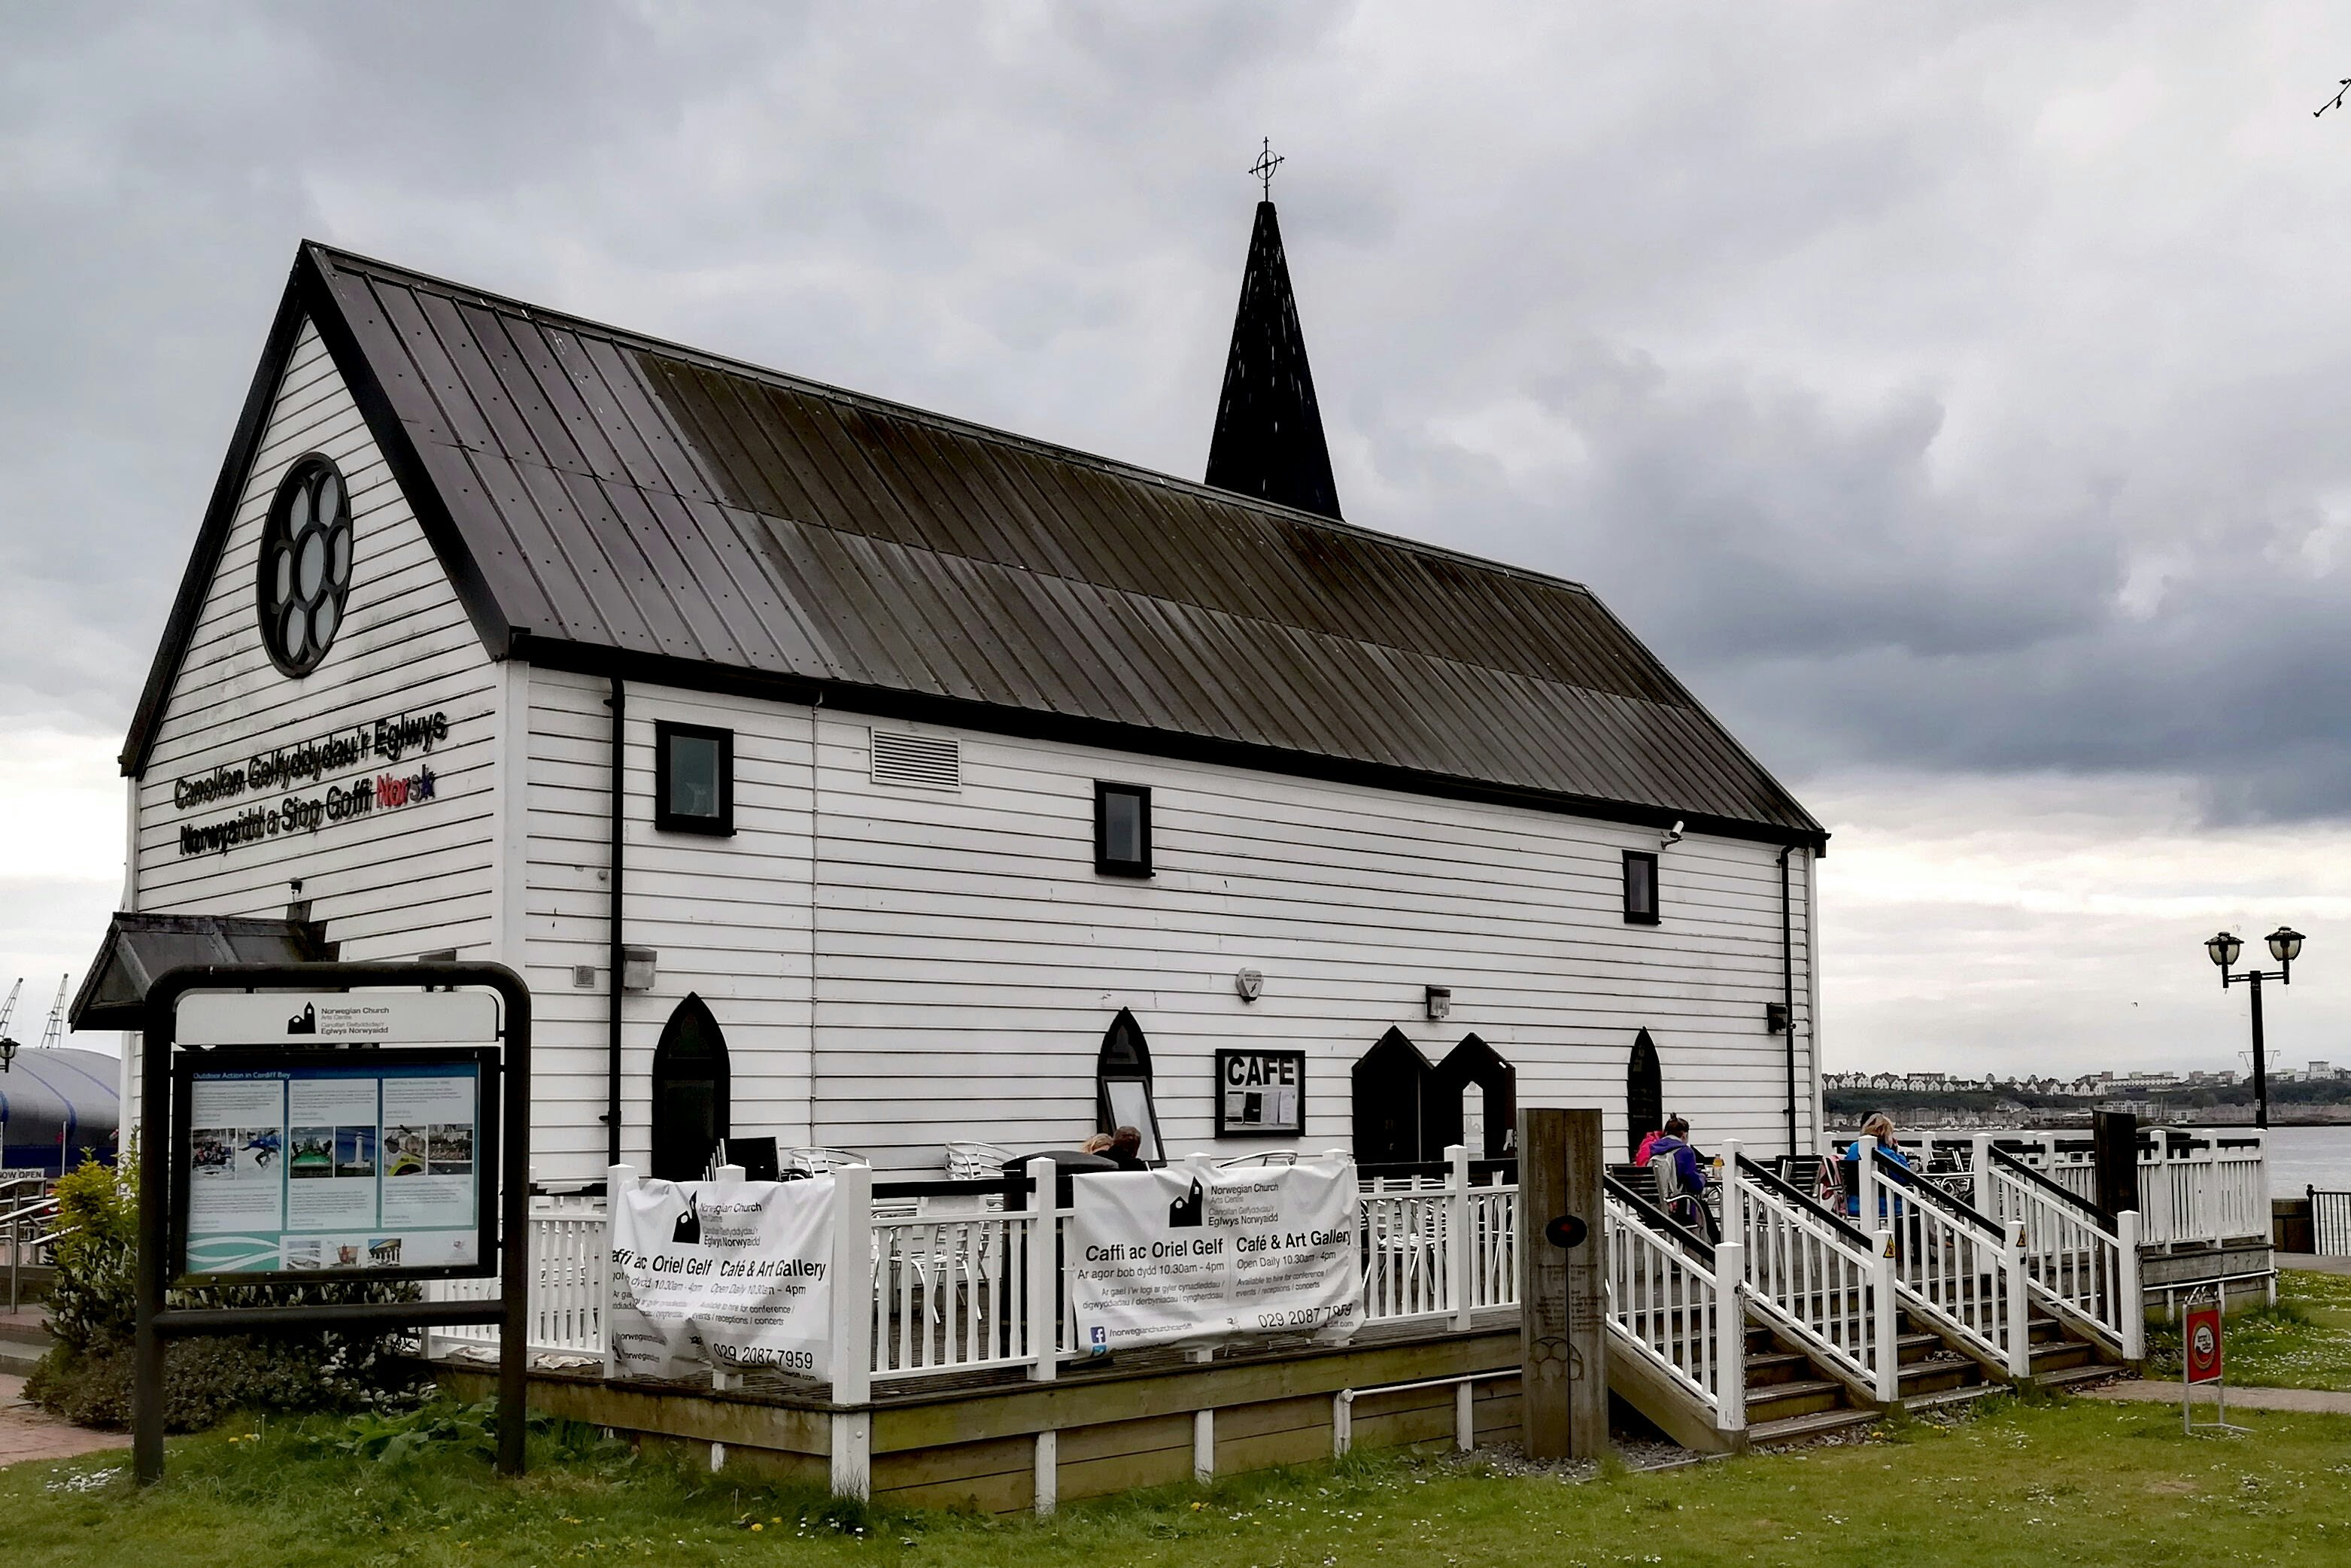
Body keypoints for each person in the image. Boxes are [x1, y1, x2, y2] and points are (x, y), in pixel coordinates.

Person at [1646, 1116, 1717, 1241]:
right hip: (1677, 1210)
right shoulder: (1685, 1152)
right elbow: (1695, 1187)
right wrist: (1702, 1176)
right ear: (1684, 1135)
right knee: (1701, 1206)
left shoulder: (1654, 1150)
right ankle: (1716, 1245)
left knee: (1700, 1206)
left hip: (1652, 1210)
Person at [1845, 1112, 1909, 1219]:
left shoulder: (1854, 1148)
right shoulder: (1887, 1153)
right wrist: (1897, 1152)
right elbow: (1904, 1177)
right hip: (1885, 1206)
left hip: (1854, 1205)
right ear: (1886, 1134)